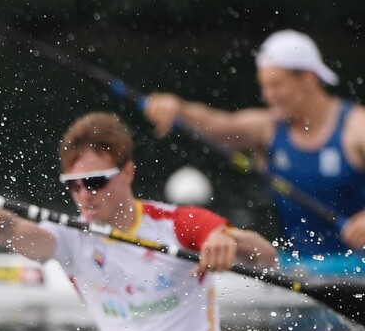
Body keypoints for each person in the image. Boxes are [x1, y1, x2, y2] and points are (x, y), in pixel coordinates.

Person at [0, 112, 277, 331]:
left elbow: (265, 256)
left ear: (128, 172)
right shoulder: (70, 239)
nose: (84, 196)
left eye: (94, 182)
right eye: (74, 186)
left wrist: (223, 241)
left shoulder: (175, 223)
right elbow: (9, 232)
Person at [143, 29, 365, 256]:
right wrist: (178, 108)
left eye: (277, 85)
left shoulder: (357, 127)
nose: (268, 96)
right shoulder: (267, 128)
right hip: (299, 268)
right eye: (264, 86)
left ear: (308, 77)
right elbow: (218, 124)